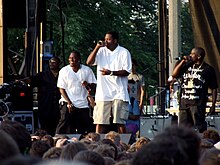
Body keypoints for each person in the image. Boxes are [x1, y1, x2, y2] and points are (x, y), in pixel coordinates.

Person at [86, 31, 132, 134]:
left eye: (108, 39)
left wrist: (110, 72)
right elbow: (89, 62)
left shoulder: (124, 52)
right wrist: (97, 47)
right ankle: (96, 145)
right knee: (100, 121)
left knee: (119, 122)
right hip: (103, 93)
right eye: (105, 39)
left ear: (115, 41)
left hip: (119, 92)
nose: (106, 41)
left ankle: (123, 145)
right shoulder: (101, 51)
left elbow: (126, 71)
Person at [171, 47, 218, 133]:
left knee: (199, 129)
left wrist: (213, 105)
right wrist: (183, 61)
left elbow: (214, 88)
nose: (190, 55)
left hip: (198, 104)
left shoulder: (208, 69)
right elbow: (174, 74)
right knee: (182, 130)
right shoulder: (186, 66)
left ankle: (201, 145)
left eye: (192, 54)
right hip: (184, 103)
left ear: (199, 56)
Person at [55, 50, 97, 135]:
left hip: (82, 103)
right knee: (64, 122)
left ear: (79, 60)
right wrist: (69, 102)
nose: (71, 60)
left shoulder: (87, 70)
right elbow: (61, 88)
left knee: (83, 127)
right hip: (67, 102)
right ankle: (56, 140)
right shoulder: (64, 70)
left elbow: (93, 87)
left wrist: (87, 84)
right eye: (70, 58)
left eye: (73, 58)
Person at [20, 56, 61, 136]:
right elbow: (32, 81)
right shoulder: (42, 75)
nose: (51, 64)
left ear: (59, 64)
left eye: (54, 62)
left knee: (58, 126)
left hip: (58, 106)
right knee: (45, 127)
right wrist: (22, 80)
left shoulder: (63, 74)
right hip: (45, 105)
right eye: (50, 62)